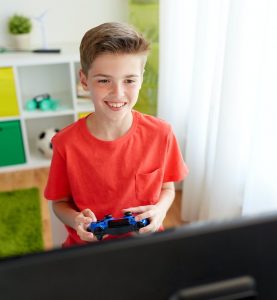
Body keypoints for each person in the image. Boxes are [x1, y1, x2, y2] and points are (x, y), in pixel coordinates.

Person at [44, 22, 188, 247]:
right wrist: (75, 220)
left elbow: (167, 188)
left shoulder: (162, 134)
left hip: (146, 246)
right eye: (104, 81)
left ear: (141, 78)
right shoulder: (65, 143)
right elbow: (59, 203)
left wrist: (160, 210)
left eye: (129, 80)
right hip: (87, 252)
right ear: (84, 81)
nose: (118, 93)